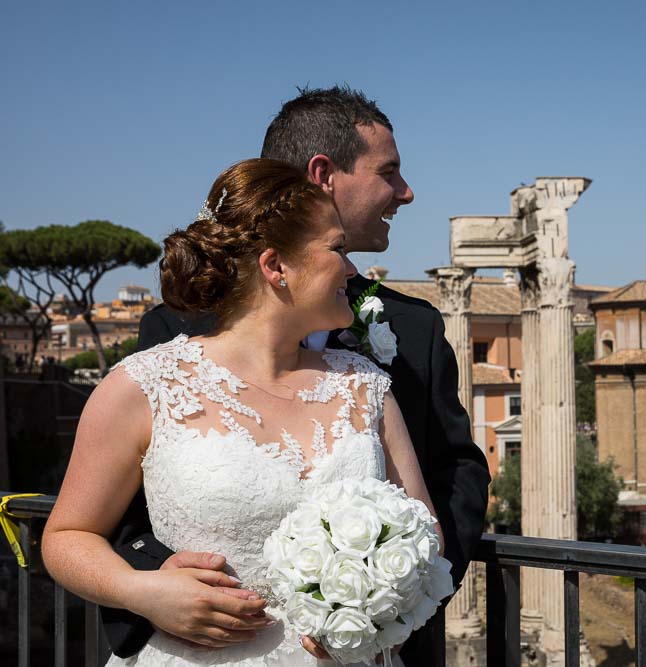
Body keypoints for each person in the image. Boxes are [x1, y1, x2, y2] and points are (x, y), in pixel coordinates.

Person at [101, 87, 491, 665]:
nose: (406, 193)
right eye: (389, 173)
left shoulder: (414, 331)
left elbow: (456, 471)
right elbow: (123, 501)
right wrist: (155, 587)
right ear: (323, 175)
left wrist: (402, 597)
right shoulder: (172, 335)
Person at [43, 159, 440, 664]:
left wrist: (386, 615)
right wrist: (141, 591)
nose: (351, 268)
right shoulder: (144, 387)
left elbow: (424, 528)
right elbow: (66, 536)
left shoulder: (366, 386)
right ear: (276, 267)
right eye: (337, 249)